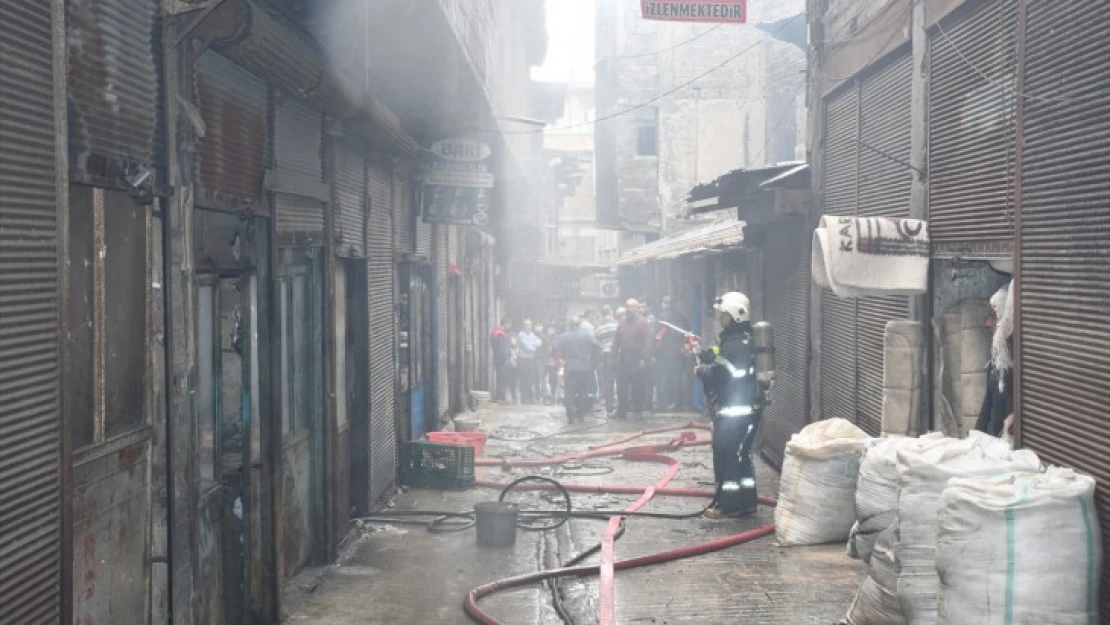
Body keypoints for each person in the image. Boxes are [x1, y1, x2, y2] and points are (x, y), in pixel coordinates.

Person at [696, 291, 765, 518]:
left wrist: (702, 371)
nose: (720, 319)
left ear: (734, 315)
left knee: (728, 454)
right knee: (741, 454)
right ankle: (747, 502)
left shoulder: (735, 344)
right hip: (748, 409)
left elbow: (725, 374)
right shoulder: (743, 338)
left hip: (736, 411)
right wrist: (708, 354)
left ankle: (729, 505)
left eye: (723, 315)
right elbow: (724, 356)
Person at [612, 299, 653, 419]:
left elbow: (648, 342)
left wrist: (644, 358)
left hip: (637, 358)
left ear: (637, 308)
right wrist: (613, 356)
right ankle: (622, 410)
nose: (629, 309)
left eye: (631, 307)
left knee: (637, 386)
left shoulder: (643, 323)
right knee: (621, 386)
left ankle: (637, 410)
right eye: (627, 307)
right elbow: (616, 341)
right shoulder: (622, 323)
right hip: (624, 358)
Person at [555, 320, 601, 423]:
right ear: (579, 325)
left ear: (569, 325)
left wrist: (560, 359)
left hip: (570, 367)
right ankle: (581, 415)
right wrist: (593, 361)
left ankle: (571, 416)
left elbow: (554, 349)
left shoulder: (563, 336)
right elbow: (597, 346)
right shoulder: (587, 336)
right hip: (584, 367)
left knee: (569, 392)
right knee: (583, 392)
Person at [654, 295, 691, 412]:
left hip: (665, 353)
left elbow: (659, 334)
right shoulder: (681, 317)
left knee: (666, 377)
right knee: (678, 378)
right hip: (678, 352)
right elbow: (687, 332)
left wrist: (655, 346)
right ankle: (678, 403)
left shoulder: (662, 317)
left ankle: (668, 402)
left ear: (664, 303)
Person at [595, 306, 621, 415]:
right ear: (610, 313)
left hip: (606, 355)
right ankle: (622, 405)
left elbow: (596, 344)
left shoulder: (598, 328)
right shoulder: (617, 325)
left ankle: (609, 407)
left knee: (608, 382)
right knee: (621, 380)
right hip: (618, 354)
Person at [516, 319, 543, 404]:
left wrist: (532, 345)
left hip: (531, 360)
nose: (528, 327)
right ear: (523, 326)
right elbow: (527, 348)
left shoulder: (532, 334)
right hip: (523, 360)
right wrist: (533, 345)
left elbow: (540, 342)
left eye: (530, 325)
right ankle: (525, 399)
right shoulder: (521, 335)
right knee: (524, 379)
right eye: (527, 325)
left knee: (530, 379)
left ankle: (530, 398)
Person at [489, 319, 515, 403]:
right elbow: (502, 349)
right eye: (509, 324)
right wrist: (506, 359)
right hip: (502, 360)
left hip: (499, 359)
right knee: (502, 379)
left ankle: (501, 397)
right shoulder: (500, 334)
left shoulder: (496, 332)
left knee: (501, 378)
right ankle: (499, 397)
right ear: (505, 324)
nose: (510, 326)